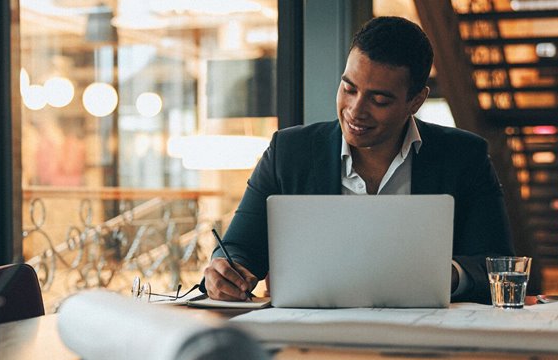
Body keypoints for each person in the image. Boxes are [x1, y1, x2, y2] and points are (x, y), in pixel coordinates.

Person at [202, 16, 514, 303]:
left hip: (424, 340)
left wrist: (445, 276)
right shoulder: (288, 152)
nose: (356, 110)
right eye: (348, 88)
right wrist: (224, 271)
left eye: (379, 100)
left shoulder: (464, 157)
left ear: (416, 101)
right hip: (310, 338)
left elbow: (497, 265)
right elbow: (239, 249)